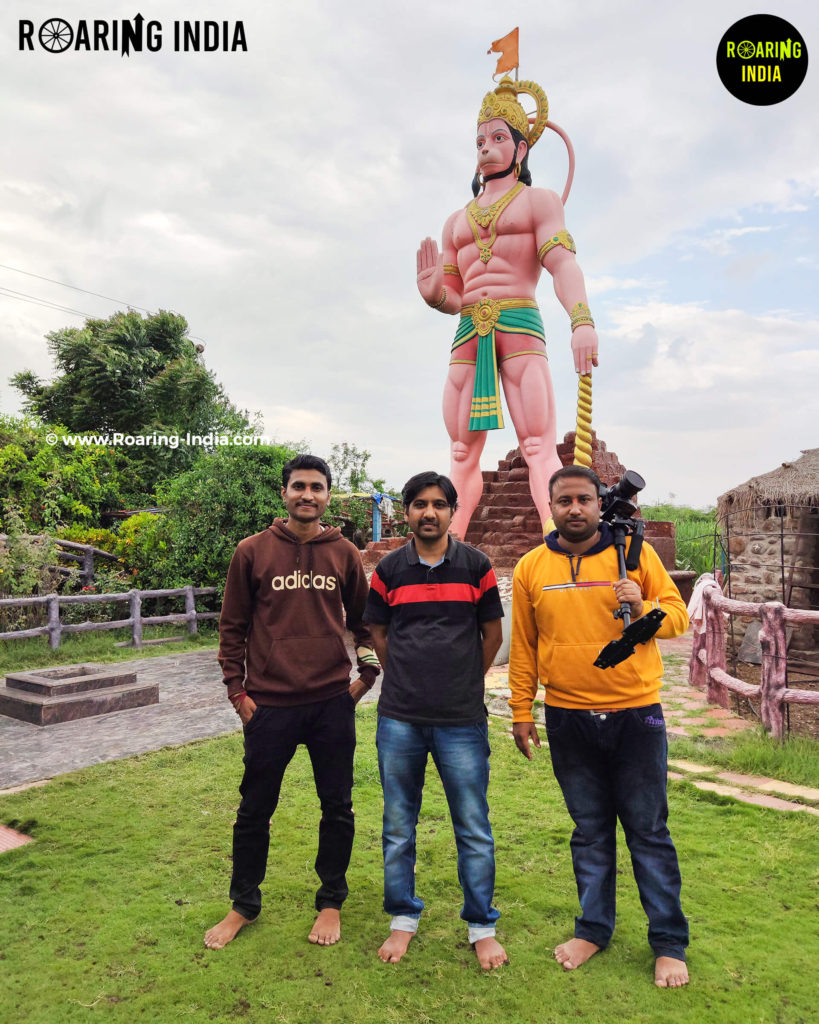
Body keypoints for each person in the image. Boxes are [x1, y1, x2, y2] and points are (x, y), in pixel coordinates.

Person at [508, 466, 691, 988]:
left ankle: (669, 943)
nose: (574, 508)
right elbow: (523, 646)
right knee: (589, 832)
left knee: (648, 831)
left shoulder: (633, 555)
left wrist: (645, 604)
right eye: (563, 500)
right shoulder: (531, 567)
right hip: (567, 716)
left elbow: (678, 619)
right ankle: (593, 930)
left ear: (597, 503)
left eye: (583, 499)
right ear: (551, 506)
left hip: (636, 712)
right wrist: (522, 710)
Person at [204, 454, 379, 950]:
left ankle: (330, 901)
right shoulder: (252, 552)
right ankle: (243, 905)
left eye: (317, 487)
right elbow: (232, 627)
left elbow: (362, 623)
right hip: (269, 705)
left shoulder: (344, 552)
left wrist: (366, 676)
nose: (308, 495)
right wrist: (237, 693)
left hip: (330, 703)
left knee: (337, 807)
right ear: (284, 493)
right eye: (299, 486)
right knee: (254, 810)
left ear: (328, 495)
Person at [417, 76, 600, 537]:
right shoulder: (455, 222)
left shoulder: (539, 202)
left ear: (521, 149)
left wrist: (582, 321)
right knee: (461, 451)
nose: (485, 147)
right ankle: (446, 548)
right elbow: (454, 294)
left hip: (518, 321)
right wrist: (434, 294)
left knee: (537, 444)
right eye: (480, 139)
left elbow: (562, 264)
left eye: (498, 137)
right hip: (467, 333)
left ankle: (558, 544)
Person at [363, 471, 507, 969]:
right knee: (399, 825)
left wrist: (465, 679)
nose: (429, 512)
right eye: (420, 504)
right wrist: (404, 672)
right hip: (400, 718)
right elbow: (378, 633)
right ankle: (402, 919)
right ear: (407, 511)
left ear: (452, 510)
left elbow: (492, 635)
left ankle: (481, 926)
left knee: (473, 826)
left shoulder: (477, 567)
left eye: (439, 504)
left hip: (460, 719)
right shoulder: (388, 571)